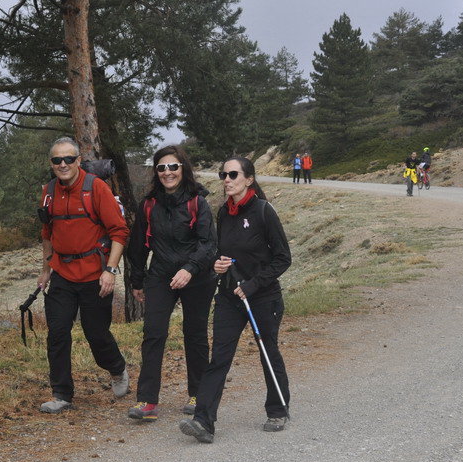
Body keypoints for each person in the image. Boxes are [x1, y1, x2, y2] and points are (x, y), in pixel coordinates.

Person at [179, 157, 292, 443]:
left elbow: (283, 258)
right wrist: (218, 264)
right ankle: (203, 421)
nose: (227, 180)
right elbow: (224, 253)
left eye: (233, 174)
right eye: (223, 175)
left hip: (263, 296)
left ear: (249, 179)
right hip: (230, 296)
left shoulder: (264, 211)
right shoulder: (223, 213)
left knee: (267, 351)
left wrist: (254, 284)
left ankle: (277, 409)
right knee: (219, 357)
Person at [37, 137, 131, 414]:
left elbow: (119, 231)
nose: (63, 164)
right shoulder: (48, 191)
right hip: (62, 273)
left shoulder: (96, 188)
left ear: (78, 161)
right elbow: (47, 233)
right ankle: (61, 394)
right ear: (51, 163)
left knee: (96, 333)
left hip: (95, 273)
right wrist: (45, 270)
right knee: (57, 333)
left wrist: (110, 270)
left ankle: (116, 368)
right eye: (57, 160)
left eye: (69, 159)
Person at [126, 145, 217, 422]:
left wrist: (190, 269)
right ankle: (147, 401)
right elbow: (138, 245)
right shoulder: (149, 204)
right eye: (162, 167)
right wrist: (137, 280)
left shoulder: (198, 202)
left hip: (198, 276)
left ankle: (198, 395)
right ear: (156, 172)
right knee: (153, 333)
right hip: (161, 275)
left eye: (173, 167)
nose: (168, 172)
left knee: (195, 334)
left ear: (182, 169)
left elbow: (208, 244)